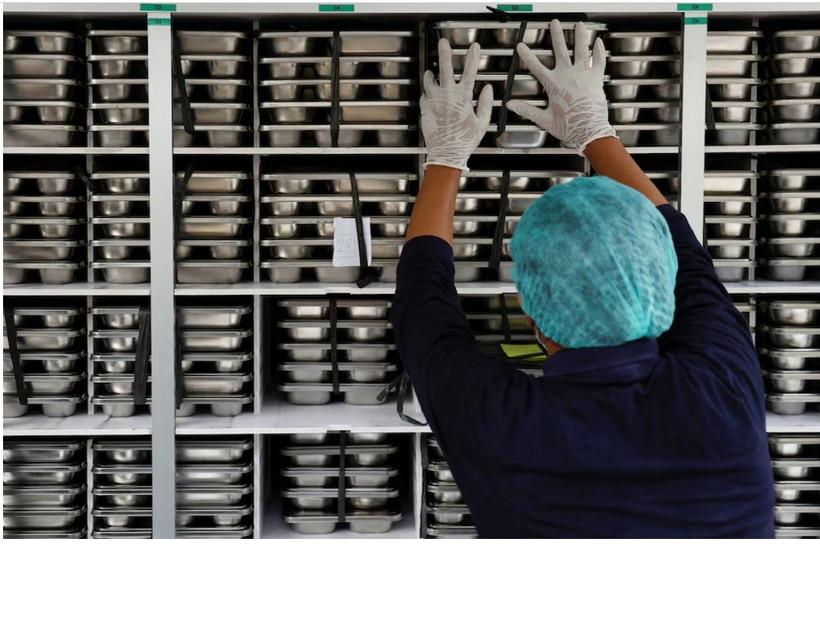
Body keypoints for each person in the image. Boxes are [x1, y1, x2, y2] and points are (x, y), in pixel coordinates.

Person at [390, 20, 775, 538]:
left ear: (533, 318)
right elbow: (421, 300)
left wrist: (447, 152)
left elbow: (422, 304)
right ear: (655, 281)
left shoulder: (498, 423)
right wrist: (593, 129)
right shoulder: (718, 387)